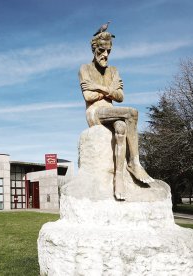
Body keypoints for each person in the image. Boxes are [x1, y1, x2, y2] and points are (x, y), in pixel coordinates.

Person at [78, 31, 153, 200]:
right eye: (101, 51)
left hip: (112, 114)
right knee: (132, 113)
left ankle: (119, 176)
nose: (105, 55)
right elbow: (88, 97)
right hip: (95, 112)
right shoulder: (85, 68)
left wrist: (99, 87)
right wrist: (111, 90)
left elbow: (120, 97)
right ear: (94, 49)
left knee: (122, 126)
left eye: (108, 51)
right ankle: (134, 162)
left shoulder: (113, 70)